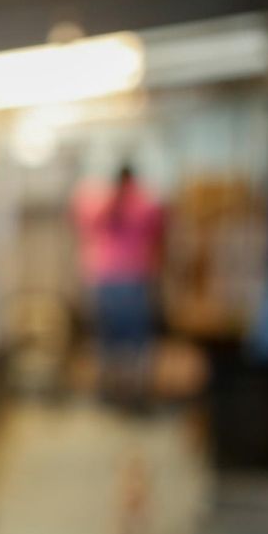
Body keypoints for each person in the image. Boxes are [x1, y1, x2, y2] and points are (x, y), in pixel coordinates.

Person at [73, 163, 164, 406]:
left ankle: (128, 390)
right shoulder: (132, 202)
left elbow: (156, 223)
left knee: (124, 339)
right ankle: (121, 390)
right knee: (120, 339)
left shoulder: (136, 202)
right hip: (122, 279)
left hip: (118, 279)